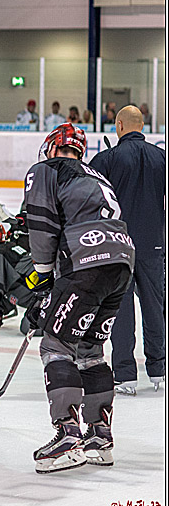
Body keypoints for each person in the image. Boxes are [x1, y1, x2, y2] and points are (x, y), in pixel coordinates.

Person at [22, 123, 135, 474]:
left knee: (55, 346)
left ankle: (68, 436)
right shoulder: (95, 175)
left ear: (52, 147)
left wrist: (42, 273)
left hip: (86, 262)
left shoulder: (46, 169)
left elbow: (43, 226)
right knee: (90, 351)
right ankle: (100, 437)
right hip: (121, 263)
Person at [89, 105, 166, 395]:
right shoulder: (162, 158)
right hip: (153, 244)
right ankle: (158, 369)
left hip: (118, 247)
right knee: (154, 306)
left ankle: (125, 374)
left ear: (119, 125)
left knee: (120, 309)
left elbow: (89, 198)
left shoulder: (107, 158)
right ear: (142, 125)